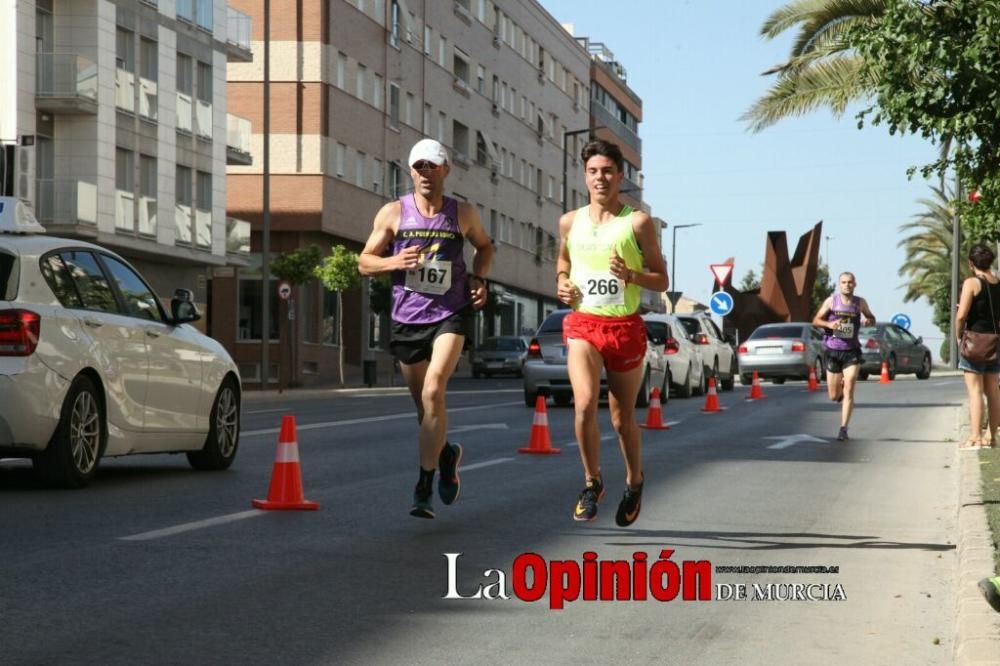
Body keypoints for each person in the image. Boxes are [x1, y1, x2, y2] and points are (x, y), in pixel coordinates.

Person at [359, 138, 494, 518]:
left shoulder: (462, 213)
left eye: (432, 166)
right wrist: (395, 261)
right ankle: (447, 453)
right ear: (410, 171)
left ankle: (424, 484)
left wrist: (479, 280)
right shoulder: (393, 213)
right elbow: (364, 262)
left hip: (451, 313)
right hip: (407, 318)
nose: (425, 173)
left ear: (446, 170)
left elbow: (485, 247)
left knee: (435, 389)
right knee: (424, 409)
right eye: (419, 166)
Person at [556, 139, 668, 526]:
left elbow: (662, 280)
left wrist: (632, 275)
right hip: (585, 323)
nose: (600, 178)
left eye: (607, 171)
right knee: (585, 404)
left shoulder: (635, 223)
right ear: (584, 176)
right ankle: (592, 482)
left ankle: (634, 481)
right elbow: (564, 259)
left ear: (621, 176)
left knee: (622, 420)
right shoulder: (570, 221)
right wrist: (561, 281)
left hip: (624, 327)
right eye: (593, 171)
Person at [811, 272, 876, 441]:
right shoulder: (831, 301)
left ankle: (843, 429)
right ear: (839, 284)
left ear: (855, 284)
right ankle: (838, 392)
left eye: (850, 282)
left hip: (852, 351)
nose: (847, 285)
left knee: (850, 386)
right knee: (833, 396)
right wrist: (829, 324)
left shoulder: (860, 302)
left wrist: (869, 321)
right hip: (833, 350)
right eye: (844, 282)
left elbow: (871, 317)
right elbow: (816, 320)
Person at [954, 242, 1000, 450]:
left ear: (971, 263)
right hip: (994, 342)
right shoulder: (998, 282)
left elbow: (962, 315)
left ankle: (975, 437)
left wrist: (957, 336)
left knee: (975, 391)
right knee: (993, 391)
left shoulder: (972, 283)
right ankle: (991, 436)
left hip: (975, 342)